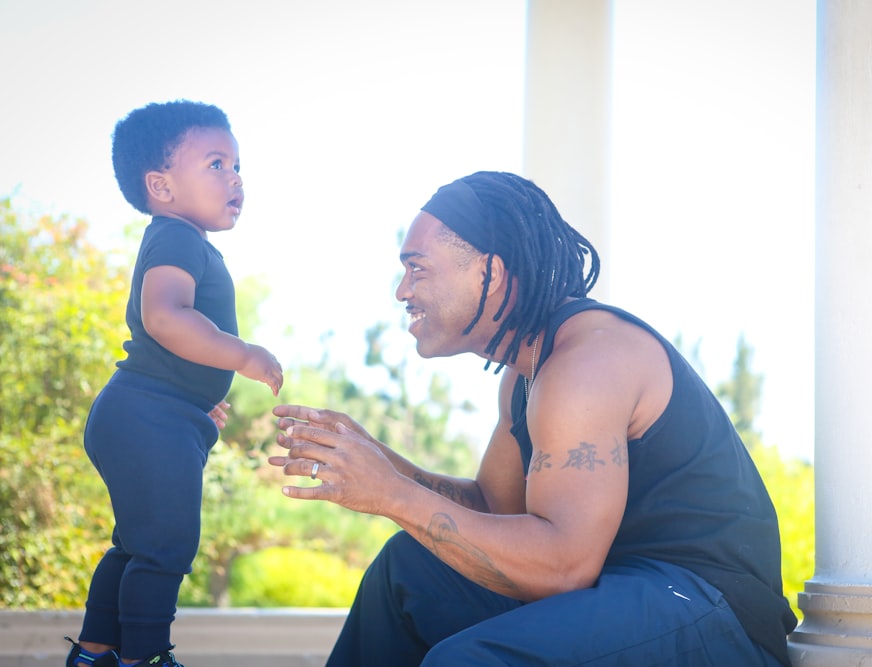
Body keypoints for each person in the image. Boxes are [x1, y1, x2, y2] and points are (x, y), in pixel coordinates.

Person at [269, 171, 797, 666]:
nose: (403, 292)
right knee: (406, 570)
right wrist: (383, 464)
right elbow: (495, 510)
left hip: (709, 611)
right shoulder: (524, 375)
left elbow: (565, 566)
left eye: (418, 268)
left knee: (467, 662)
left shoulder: (585, 365)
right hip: (622, 590)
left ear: (491, 273)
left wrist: (392, 495)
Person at [65, 100, 284, 667]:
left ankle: (94, 655)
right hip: (146, 414)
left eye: (237, 165)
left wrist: (196, 397)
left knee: (138, 544)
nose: (235, 177)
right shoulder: (178, 238)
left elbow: (169, 342)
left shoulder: (179, 240)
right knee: (166, 546)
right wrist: (243, 355)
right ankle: (145, 657)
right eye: (216, 163)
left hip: (148, 411)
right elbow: (164, 317)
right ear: (160, 186)